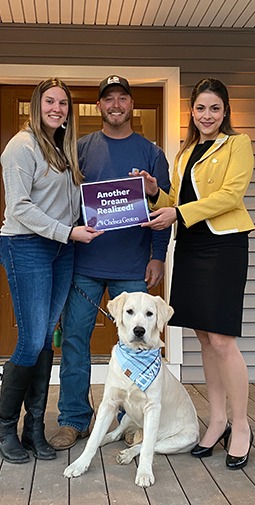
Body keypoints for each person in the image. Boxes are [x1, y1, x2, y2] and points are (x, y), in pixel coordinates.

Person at [135, 78, 255, 470]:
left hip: (222, 247)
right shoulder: (185, 151)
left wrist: (178, 212)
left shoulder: (237, 145)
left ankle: (241, 426)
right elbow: (176, 201)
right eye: (201, 108)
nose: (207, 115)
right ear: (192, 112)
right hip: (189, 247)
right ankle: (216, 420)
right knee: (204, 338)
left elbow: (230, 196)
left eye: (214, 109)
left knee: (222, 339)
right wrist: (155, 192)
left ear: (225, 112)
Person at [49, 75, 171, 450]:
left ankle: (127, 421)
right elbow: (64, 200)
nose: (115, 105)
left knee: (138, 346)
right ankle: (73, 419)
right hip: (84, 263)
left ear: (130, 105)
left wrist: (157, 255)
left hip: (132, 266)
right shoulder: (81, 148)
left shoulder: (151, 153)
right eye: (108, 99)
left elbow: (164, 207)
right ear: (99, 106)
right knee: (74, 341)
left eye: (122, 98)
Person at [0, 77, 103, 464]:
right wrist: (69, 232)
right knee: (29, 340)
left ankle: (35, 429)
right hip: (27, 247)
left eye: (63, 103)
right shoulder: (21, 147)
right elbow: (20, 208)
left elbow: (73, 203)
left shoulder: (62, 149)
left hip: (62, 250)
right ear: (36, 104)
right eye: (50, 102)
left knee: (45, 339)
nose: (56, 108)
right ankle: (6, 426)